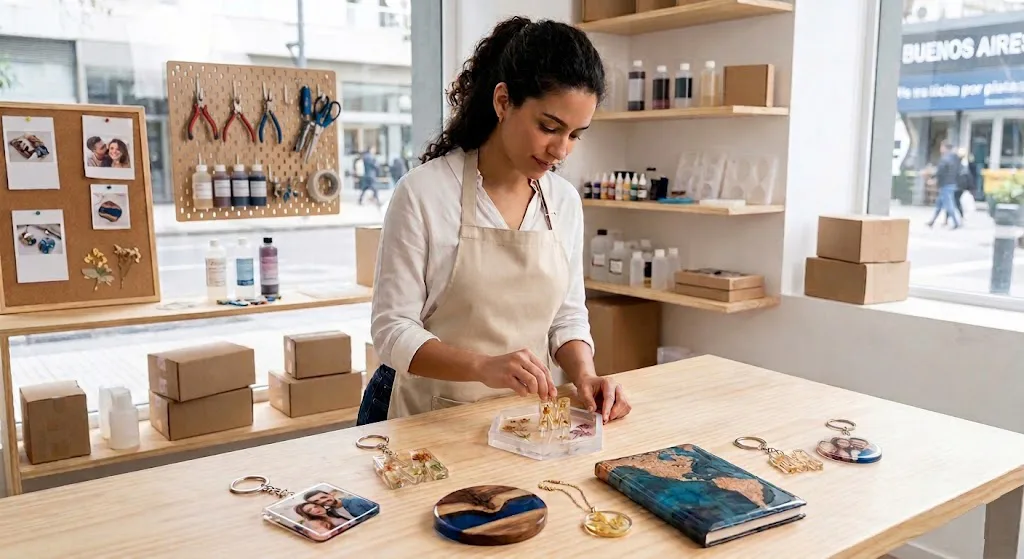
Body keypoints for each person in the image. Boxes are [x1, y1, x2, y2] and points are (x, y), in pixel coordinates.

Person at [357, 16, 631, 426]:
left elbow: (566, 316)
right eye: (549, 127)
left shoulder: (563, 203)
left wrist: (585, 375)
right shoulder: (424, 193)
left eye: (576, 134)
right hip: (430, 421)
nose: (561, 150)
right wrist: (483, 367)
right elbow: (392, 331)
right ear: (503, 102)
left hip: (527, 424)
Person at [928, 141, 962, 229]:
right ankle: (932, 221)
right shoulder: (955, 158)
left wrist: (933, 179)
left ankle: (955, 222)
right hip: (952, 183)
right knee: (939, 203)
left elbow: (940, 171)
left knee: (949, 204)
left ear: (944, 148)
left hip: (945, 184)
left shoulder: (944, 159)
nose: (940, 149)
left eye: (941, 147)